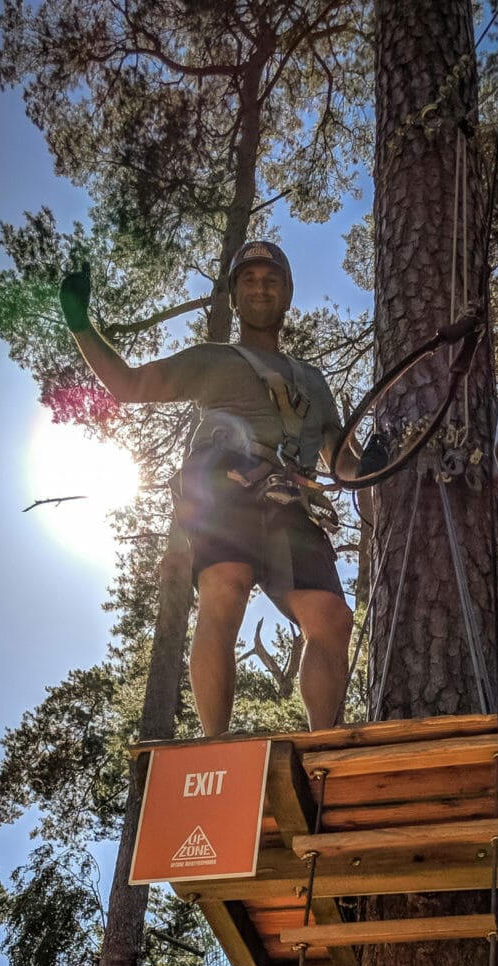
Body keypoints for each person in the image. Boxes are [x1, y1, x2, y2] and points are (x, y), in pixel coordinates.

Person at [59, 241, 354, 737]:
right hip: (226, 488)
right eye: (249, 279)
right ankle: (215, 743)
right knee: (225, 586)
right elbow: (129, 386)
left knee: (331, 618)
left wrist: (379, 464)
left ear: (287, 296)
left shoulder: (314, 383)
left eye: (272, 280)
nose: (260, 287)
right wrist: (80, 326)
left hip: (292, 504)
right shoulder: (211, 360)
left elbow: (344, 461)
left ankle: (324, 746)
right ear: (234, 296)